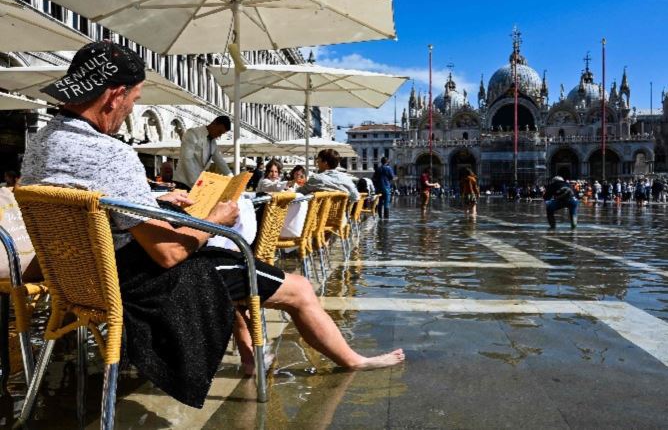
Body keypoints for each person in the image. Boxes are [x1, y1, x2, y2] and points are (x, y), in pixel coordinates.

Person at [19, 41, 403, 409]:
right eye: (134, 100)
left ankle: (251, 354)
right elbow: (169, 254)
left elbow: (86, 199)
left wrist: (153, 201)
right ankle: (353, 360)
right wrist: (214, 220)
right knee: (294, 286)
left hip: (79, 278)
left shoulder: (41, 142)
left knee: (223, 266)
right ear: (114, 95)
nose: (131, 110)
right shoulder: (111, 153)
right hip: (136, 284)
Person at [172, 115, 232, 190]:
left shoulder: (213, 142)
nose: (219, 136)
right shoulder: (192, 133)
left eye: (221, 134)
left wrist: (231, 178)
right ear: (214, 123)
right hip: (184, 183)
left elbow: (220, 161)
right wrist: (196, 183)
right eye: (219, 132)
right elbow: (187, 160)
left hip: (198, 183)